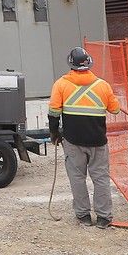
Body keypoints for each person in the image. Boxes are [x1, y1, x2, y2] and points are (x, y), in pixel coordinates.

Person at [48, 46, 121, 229]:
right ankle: (104, 218)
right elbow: (115, 109)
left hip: (73, 141)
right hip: (98, 141)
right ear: (88, 64)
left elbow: (53, 113)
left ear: (71, 64)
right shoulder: (102, 85)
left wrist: (54, 133)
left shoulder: (61, 84)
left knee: (77, 178)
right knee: (101, 178)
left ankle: (84, 216)